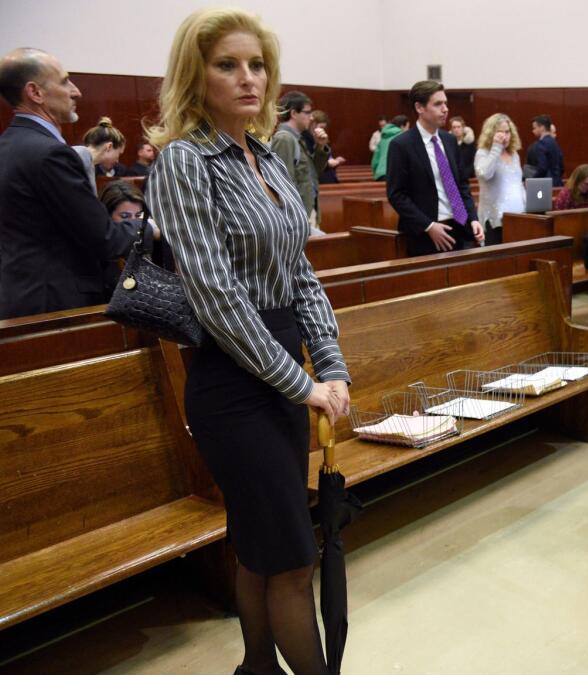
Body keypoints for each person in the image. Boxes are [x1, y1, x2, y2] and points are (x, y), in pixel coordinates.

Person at [146, 8, 350, 675]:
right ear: (194, 75)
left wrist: (332, 364)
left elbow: (300, 273)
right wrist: (304, 383)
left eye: (257, 64)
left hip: (284, 374)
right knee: (293, 559)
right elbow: (217, 299)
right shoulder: (183, 162)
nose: (248, 78)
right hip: (233, 385)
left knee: (262, 548)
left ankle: (256, 666)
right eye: (227, 64)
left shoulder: (262, 155)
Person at [0, 48, 148, 319]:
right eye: (65, 81)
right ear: (35, 93)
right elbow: (104, 239)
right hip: (57, 305)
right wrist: (149, 226)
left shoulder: (8, 146)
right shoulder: (50, 154)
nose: (76, 91)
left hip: (20, 297)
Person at [386, 79, 484, 257]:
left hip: (458, 226)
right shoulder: (401, 145)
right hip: (425, 234)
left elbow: (462, 185)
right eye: (438, 104)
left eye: (445, 103)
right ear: (420, 108)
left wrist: (473, 218)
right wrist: (428, 226)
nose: (445, 109)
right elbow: (397, 194)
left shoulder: (449, 140)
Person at [271, 90, 329, 235]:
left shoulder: (297, 139)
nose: (311, 118)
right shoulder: (285, 139)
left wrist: (320, 147)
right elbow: (283, 183)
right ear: (293, 113)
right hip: (297, 216)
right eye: (307, 112)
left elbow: (313, 173)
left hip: (307, 211)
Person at [473, 112, 524, 247]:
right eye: (500, 132)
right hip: (494, 220)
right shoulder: (483, 153)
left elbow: (518, 185)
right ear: (491, 134)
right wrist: (496, 147)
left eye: (507, 132)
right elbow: (484, 174)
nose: (504, 136)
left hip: (517, 217)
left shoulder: (514, 155)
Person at [73, 116, 126, 194]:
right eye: (119, 154)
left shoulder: (89, 162)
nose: (117, 161)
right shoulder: (77, 157)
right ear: (109, 147)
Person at [308, 110, 346, 184]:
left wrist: (335, 160)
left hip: (329, 178)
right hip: (319, 181)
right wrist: (335, 162)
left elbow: (327, 157)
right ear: (313, 124)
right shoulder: (307, 140)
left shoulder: (322, 138)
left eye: (324, 128)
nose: (322, 130)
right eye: (321, 127)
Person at [527, 114, 564, 186]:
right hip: (558, 183)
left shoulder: (542, 144)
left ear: (542, 128)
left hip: (546, 186)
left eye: (535, 128)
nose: (533, 130)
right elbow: (561, 166)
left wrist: (532, 180)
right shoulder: (555, 143)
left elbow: (542, 168)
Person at [371, 114, 408, 180]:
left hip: (381, 174)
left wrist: (376, 173)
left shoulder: (382, 139)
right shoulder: (403, 137)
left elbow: (375, 160)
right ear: (402, 126)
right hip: (395, 174)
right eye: (407, 127)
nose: (408, 130)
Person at [449, 115, 476, 180]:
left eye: (458, 127)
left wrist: (465, 174)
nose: (456, 129)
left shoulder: (470, 144)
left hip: (469, 178)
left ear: (463, 128)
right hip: (453, 178)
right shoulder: (448, 144)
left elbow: (474, 162)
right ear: (451, 129)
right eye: (454, 127)